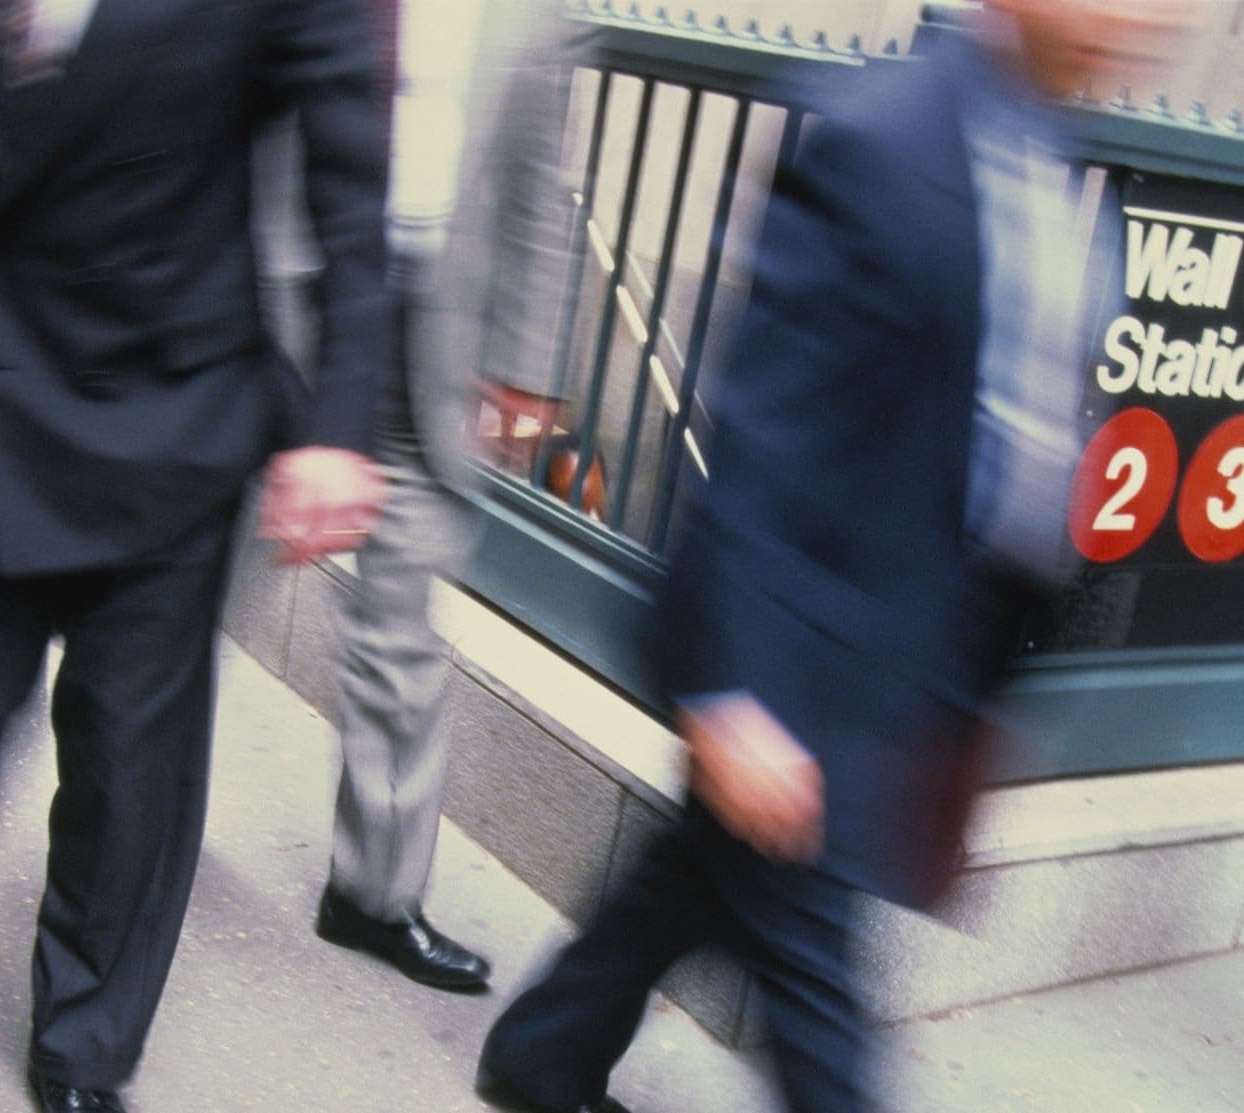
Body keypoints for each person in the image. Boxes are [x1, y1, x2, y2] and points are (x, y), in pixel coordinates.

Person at [476, 2, 1194, 1111]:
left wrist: (974, 692)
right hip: (806, 666)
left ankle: (542, 1055)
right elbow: (771, 433)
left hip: (914, 657)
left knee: (696, 881)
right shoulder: (881, 139)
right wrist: (730, 692)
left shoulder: (1050, 157)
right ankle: (541, 1055)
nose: (1141, 19)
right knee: (823, 1016)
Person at [0, 2, 391, 1110]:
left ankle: (83, 1054)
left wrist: (338, 423)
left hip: (171, 403)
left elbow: (347, 182)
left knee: (130, 765)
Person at [303, 0, 581, 995]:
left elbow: (543, 198)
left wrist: (524, 366)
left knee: (402, 639)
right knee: (180, 601)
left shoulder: (530, 17)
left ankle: (372, 894)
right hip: (285, 316)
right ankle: (116, 837)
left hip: (427, 348)